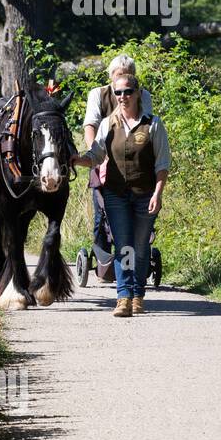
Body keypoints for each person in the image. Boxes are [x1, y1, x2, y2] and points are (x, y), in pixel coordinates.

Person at [73, 73, 170, 317]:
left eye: (127, 92)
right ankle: (124, 296)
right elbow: (95, 155)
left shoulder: (153, 124)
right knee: (123, 246)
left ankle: (138, 293)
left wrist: (157, 194)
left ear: (138, 93)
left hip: (145, 193)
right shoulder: (108, 124)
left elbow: (162, 164)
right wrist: (78, 160)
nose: (123, 97)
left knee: (140, 246)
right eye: (118, 93)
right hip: (116, 195)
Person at [83, 55, 153, 253]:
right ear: (111, 76)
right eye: (118, 75)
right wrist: (96, 155)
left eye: (128, 75)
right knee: (102, 211)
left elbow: (146, 124)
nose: (122, 81)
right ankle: (103, 254)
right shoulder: (98, 94)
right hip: (103, 155)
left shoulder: (142, 95)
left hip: (133, 161)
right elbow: (90, 124)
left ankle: (137, 254)